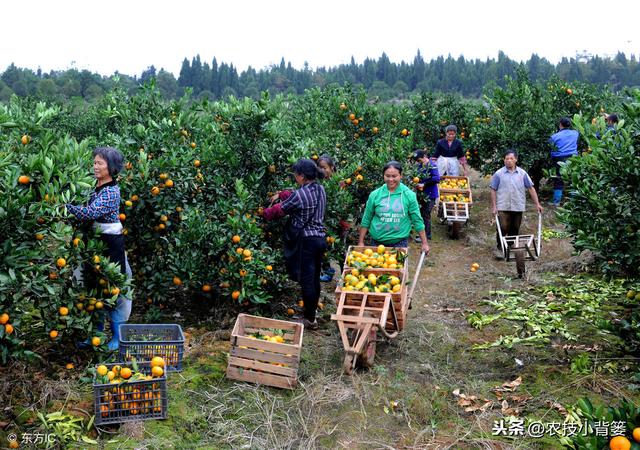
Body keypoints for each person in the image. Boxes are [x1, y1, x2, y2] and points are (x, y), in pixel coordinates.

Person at [66, 147, 132, 351]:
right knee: (93, 288)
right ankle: (95, 335)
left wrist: (65, 206)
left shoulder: (112, 192)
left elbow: (89, 213)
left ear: (111, 168)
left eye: (99, 163)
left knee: (114, 290)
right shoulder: (92, 186)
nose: (95, 167)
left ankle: (117, 338)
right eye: (94, 162)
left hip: (111, 245)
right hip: (94, 243)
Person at [262, 159, 327, 330]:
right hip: (320, 239)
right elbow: (295, 195)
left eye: (295, 174)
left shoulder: (300, 195)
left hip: (306, 241)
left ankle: (310, 319)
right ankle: (312, 315)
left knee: (306, 279)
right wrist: (282, 193)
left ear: (301, 176)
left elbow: (280, 210)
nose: (294, 177)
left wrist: (263, 213)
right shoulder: (320, 189)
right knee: (314, 279)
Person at [358, 161, 430, 255]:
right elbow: (367, 218)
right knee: (376, 268)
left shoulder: (409, 195)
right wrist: (360, 242)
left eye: (394, 176)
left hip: (399, 243)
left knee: (396, 268)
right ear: (383, 176)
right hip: (376, 243)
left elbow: (417, 220)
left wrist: (424, 243)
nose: (390, 179)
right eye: (387, 176)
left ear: (401, 176)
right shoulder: (375, 195)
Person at [490, 149, 543, 258]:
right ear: (504, 160)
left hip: (517, 205)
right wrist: (494, 206)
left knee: (515, 228)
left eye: (511, 159)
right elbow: (493, 189)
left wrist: (537, 204)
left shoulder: (522, 173)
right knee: (503, 227)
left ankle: (509, 246)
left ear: (516, 160)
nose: (508, 161)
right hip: (502, 205)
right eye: (506, 158)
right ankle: (500, 247)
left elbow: (531, 188)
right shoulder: (498, 174)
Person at [548, 117, 579, 206]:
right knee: (573, 179)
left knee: (558, 179)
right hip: (573, 158)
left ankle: (556, 202)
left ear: (560, 125)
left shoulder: (554, 136)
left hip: (559, 159)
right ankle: (573, 202)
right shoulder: (575, 133)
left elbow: (550, 145)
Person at [412, 150, 440, 242]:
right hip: (422, 195)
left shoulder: (432, 165)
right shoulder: (420, 166)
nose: (418, 162)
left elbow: (436, 178)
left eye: (419, 159)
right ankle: (423, 235)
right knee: (421, 214)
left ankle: (427, 236)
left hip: (430, 195)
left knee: (426, 214)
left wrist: (424, 184)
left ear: (424, 156)